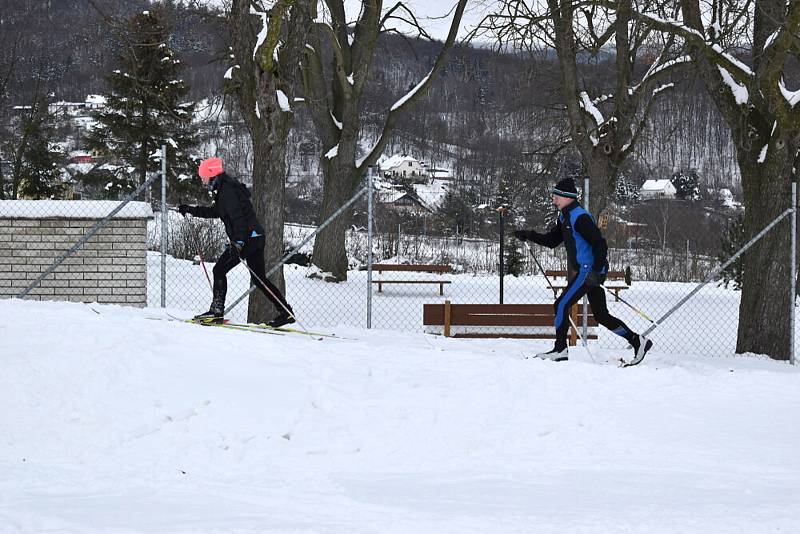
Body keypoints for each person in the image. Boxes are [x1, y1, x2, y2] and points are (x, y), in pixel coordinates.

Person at [514, 177, 652, 364]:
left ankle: (560, 349)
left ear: (566, 197)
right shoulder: (564, 216)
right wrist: (529, 235)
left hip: (589, 271)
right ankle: (638, 341)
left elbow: (600, 244)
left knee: (561, 305)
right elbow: (552, 241)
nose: (553, 200)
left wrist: (596, 271)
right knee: (601, 315)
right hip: (588, 272)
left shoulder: (580, 217)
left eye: (556, 196)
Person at [178, 157, 295, 328]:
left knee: (219, 270)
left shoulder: (227, 192)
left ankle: (216, 312)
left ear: (211, 174)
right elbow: (216, 212)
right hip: (255, 236)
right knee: (259, 279)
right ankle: (286, 312)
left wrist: (238, 242)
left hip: (247, 238)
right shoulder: (225, 188)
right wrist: (191, 210)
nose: (202, 181)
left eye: (203, 177)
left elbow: (238, 219)